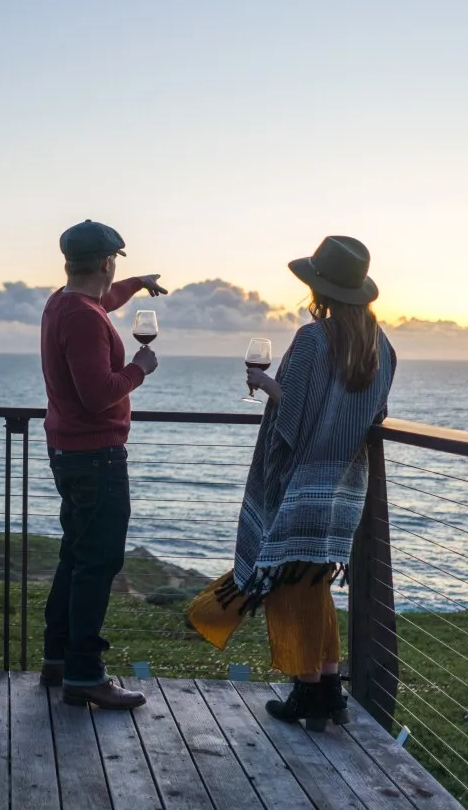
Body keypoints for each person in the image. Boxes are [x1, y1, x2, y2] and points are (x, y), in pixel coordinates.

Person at [187, 235, 396, 730]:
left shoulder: (313, 338)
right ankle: (329, 693)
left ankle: (307, 693)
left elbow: (294, 416)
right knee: (313, 583)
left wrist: (263, 385)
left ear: (318, 288)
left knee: (287, 583)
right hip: (345, 484)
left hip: (299, 482)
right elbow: (376, 413)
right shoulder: (382, 346)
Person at [40, 219, 167, 709]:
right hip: (96, 456)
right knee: (98, 564)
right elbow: (98, 396)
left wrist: (137, 285)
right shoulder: (85, 318)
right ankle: (86, 676)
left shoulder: (64, 302)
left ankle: (59, 660)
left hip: (70, 452)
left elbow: (103, 301)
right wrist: (140, 369)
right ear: (108, 261)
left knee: (76, 556)